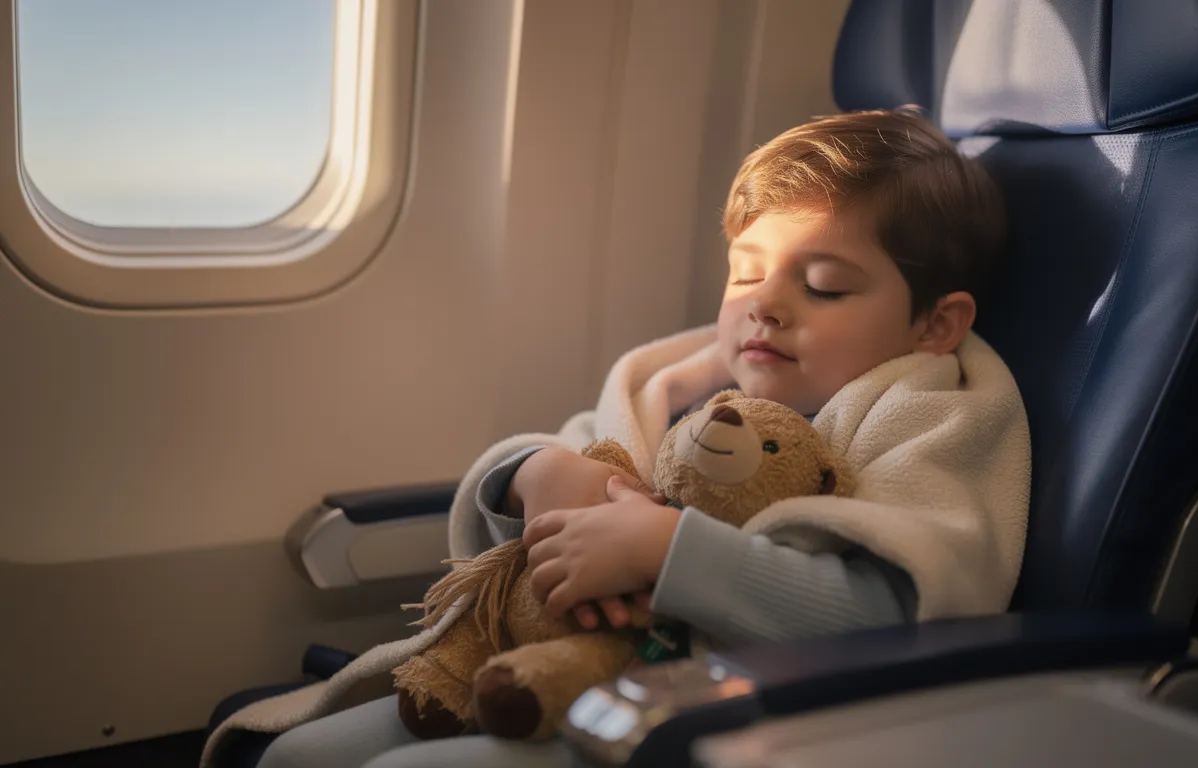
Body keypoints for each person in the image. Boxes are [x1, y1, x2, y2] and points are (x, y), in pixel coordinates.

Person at [253, 107, 1028, 768]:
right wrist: (535, 475)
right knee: (296, 757)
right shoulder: (684, 385)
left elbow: (899, 618)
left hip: (728, 710)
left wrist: (666, 550)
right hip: (554, 668)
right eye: (746, 274)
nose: (765, 307)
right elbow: (536, 503)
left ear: (936, 323)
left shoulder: (927, 416)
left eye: (822, 286)